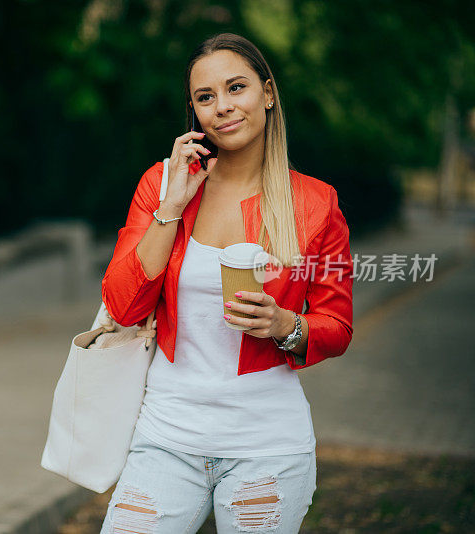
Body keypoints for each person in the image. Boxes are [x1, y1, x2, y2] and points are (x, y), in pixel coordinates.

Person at [99, 32, 354, 533]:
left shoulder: (315, 203)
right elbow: (123, 306)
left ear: (268, 92)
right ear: (194, 112)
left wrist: (285, 324)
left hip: (267, 447)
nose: (223, 107)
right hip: (166, 437)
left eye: (236, 88)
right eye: (205, 97)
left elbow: (337, 326)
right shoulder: (162, 184)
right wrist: (170, 207)